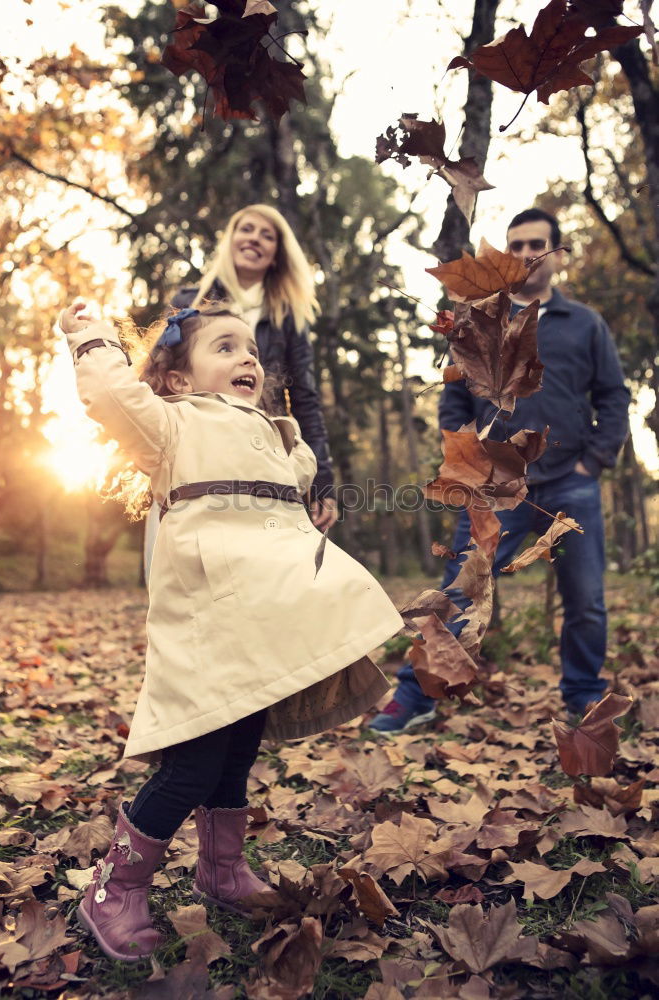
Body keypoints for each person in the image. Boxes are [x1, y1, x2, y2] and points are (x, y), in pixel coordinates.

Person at [59, 298, 403, 962]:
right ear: (180, 379)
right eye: (224, 347)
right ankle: (114, 889)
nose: (247, 357)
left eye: (250, 350)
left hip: (259, 628)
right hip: (205, 623)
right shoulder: (171, 425)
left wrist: (294, 446)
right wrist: (90, 334)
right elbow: (110, 393)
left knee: (238, 751)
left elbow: (295, 476)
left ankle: (220, 870)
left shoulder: (270, 434)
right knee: (192, 763)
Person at [370, 207, 630, 735]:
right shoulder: (477, 319)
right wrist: (472, 464)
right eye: (516, 245)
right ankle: (416, 696)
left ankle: (582, 696)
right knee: (457, 590)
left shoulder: (585, 325)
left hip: (569, 484)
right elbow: (452, 402)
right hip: (496, 489)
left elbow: (614, 397)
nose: (527, 253)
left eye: (538, 243)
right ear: (507, 255)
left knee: (586, 599)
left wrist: (593, 461)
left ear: (557, 254)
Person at [143, 204, 337, 581]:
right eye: (246, 229)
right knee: (182, 570)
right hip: (193, 453)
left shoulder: (289, 316)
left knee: (258, 573)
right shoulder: (190, 300)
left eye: (268, 235)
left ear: (278, 253)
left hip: (258, 456)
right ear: (231, 240)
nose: (255, 238)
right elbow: (161, 375)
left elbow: (306, 400)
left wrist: (322, 485)